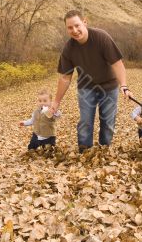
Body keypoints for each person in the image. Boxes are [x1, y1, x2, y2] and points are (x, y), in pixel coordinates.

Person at [50, 10, 131, 153]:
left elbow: (117, 64)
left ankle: (104, 150)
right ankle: (85, 151)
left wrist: (124, 86)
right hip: (86, 87)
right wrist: (56, 102)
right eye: (70, 28)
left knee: (108, 122)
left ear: (84, 22)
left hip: (109, 86)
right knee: (85, 122)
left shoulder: (101, 38)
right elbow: (65, 77)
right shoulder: (69, 48)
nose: (74, 30)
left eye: (77, 25)